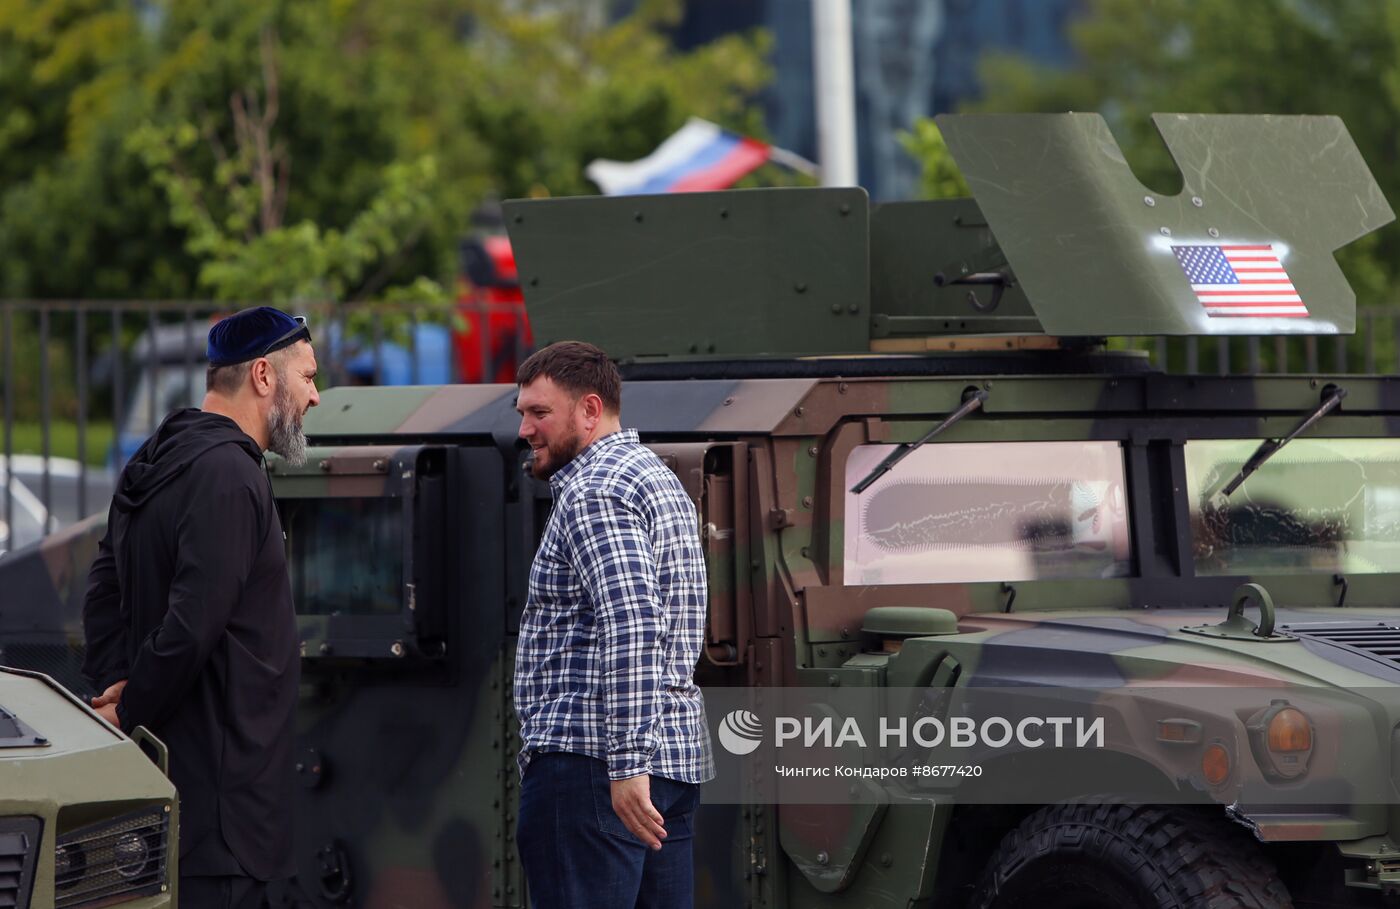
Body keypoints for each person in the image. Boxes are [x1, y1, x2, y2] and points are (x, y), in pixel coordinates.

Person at [82, 306, 320, 909]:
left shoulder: (154, 457)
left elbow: (102, 588)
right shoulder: (227, 473)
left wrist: (117, 687)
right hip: (228, 821)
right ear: (264, 376)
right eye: (309, 377)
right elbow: (193, 623)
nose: (316, 397)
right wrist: (129, 708)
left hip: (180, 800)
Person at [513, 341, 714, 909]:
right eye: (522, 413)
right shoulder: (656, 477)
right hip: (667, 766)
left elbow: (632, 625)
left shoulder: (594, 491)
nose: (525, 429)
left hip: (597, 768)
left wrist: (627, 765)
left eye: (539, 413)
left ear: (590, 410)